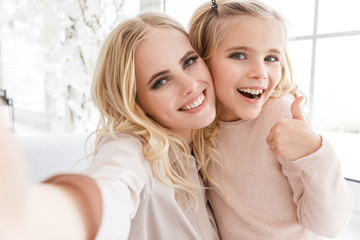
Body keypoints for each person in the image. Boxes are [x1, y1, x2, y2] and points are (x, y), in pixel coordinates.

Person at [0, 12, 220, 240]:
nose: (190, 85)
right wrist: (28, 214)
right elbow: (112, 186)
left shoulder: (211, 147)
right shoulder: (131, 147)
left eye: (189, 61)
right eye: (161, 81)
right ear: (134, 102)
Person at [189, 0, 353, 239]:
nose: (260, 72)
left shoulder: (280, 117)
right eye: (239, 55)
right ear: (203, 62)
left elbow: (330, 226)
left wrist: (315, 152)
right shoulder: (201, 124)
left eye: (271, 58)